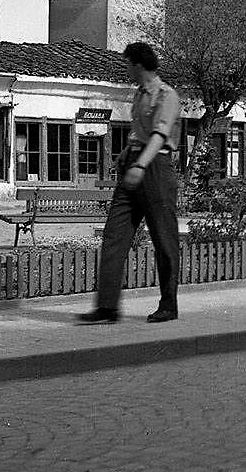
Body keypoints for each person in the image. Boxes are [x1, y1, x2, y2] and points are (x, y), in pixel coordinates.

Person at [79, 42, 182, 324]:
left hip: (155, 168)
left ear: (138, 65)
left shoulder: (166, 95)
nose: (127, 69)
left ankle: (168, 305)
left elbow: (160, 136)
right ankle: (108, 307)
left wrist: (140, 165)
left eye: (128, 64)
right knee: (115, 234)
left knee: (164, 238)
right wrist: (126, 157)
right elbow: (138, 134)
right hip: (134, 165)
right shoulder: (138, 95)